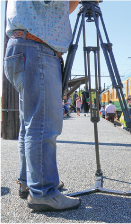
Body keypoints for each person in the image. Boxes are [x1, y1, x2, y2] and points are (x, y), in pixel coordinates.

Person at [4, 0, 81, 211]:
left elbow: (61, 6)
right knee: (43, 124)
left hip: (26, 48)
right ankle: (43, 191)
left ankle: (29, 182)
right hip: (36, 49)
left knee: (31, 124)